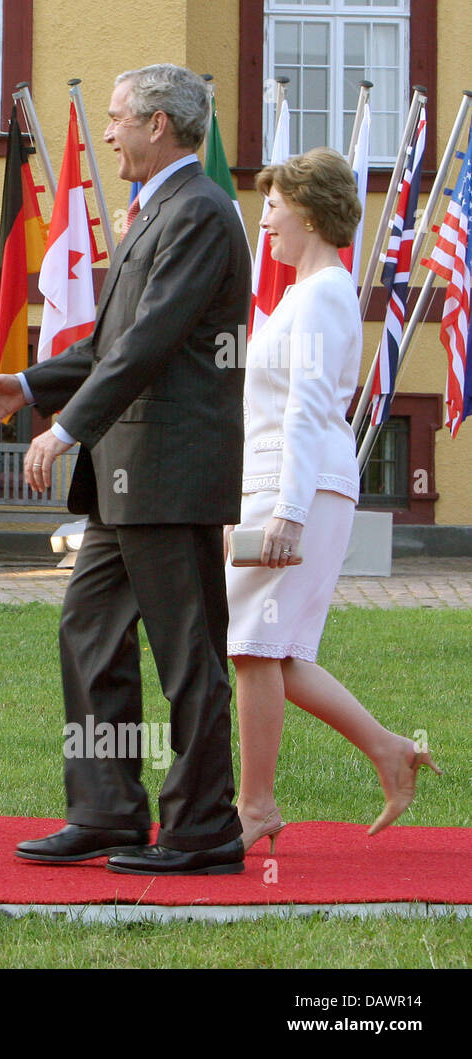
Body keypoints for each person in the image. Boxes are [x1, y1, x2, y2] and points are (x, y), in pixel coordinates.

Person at [0, 64, 250, 875]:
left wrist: (68, 425)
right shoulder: (161, 211)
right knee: (90, 635)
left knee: (186, 653)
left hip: (171, 473)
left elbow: (149, 342)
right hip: (128, 477)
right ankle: (109, 810)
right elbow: (110, 343)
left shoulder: (199, 211)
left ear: (160, 124)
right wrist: (26, 386)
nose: (110, 133)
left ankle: (204, 829)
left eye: (120, 119)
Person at [227, 147, 442, 852]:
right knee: (274, 652)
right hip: (298, 482)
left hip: (299, 486)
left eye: (275, 206)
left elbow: (306, 408)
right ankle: (388, 750)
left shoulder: (321, 294)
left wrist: (285, 510)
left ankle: (255, 805)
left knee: (256, 647)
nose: (266, 223)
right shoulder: (306, 292)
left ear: (312, 211)